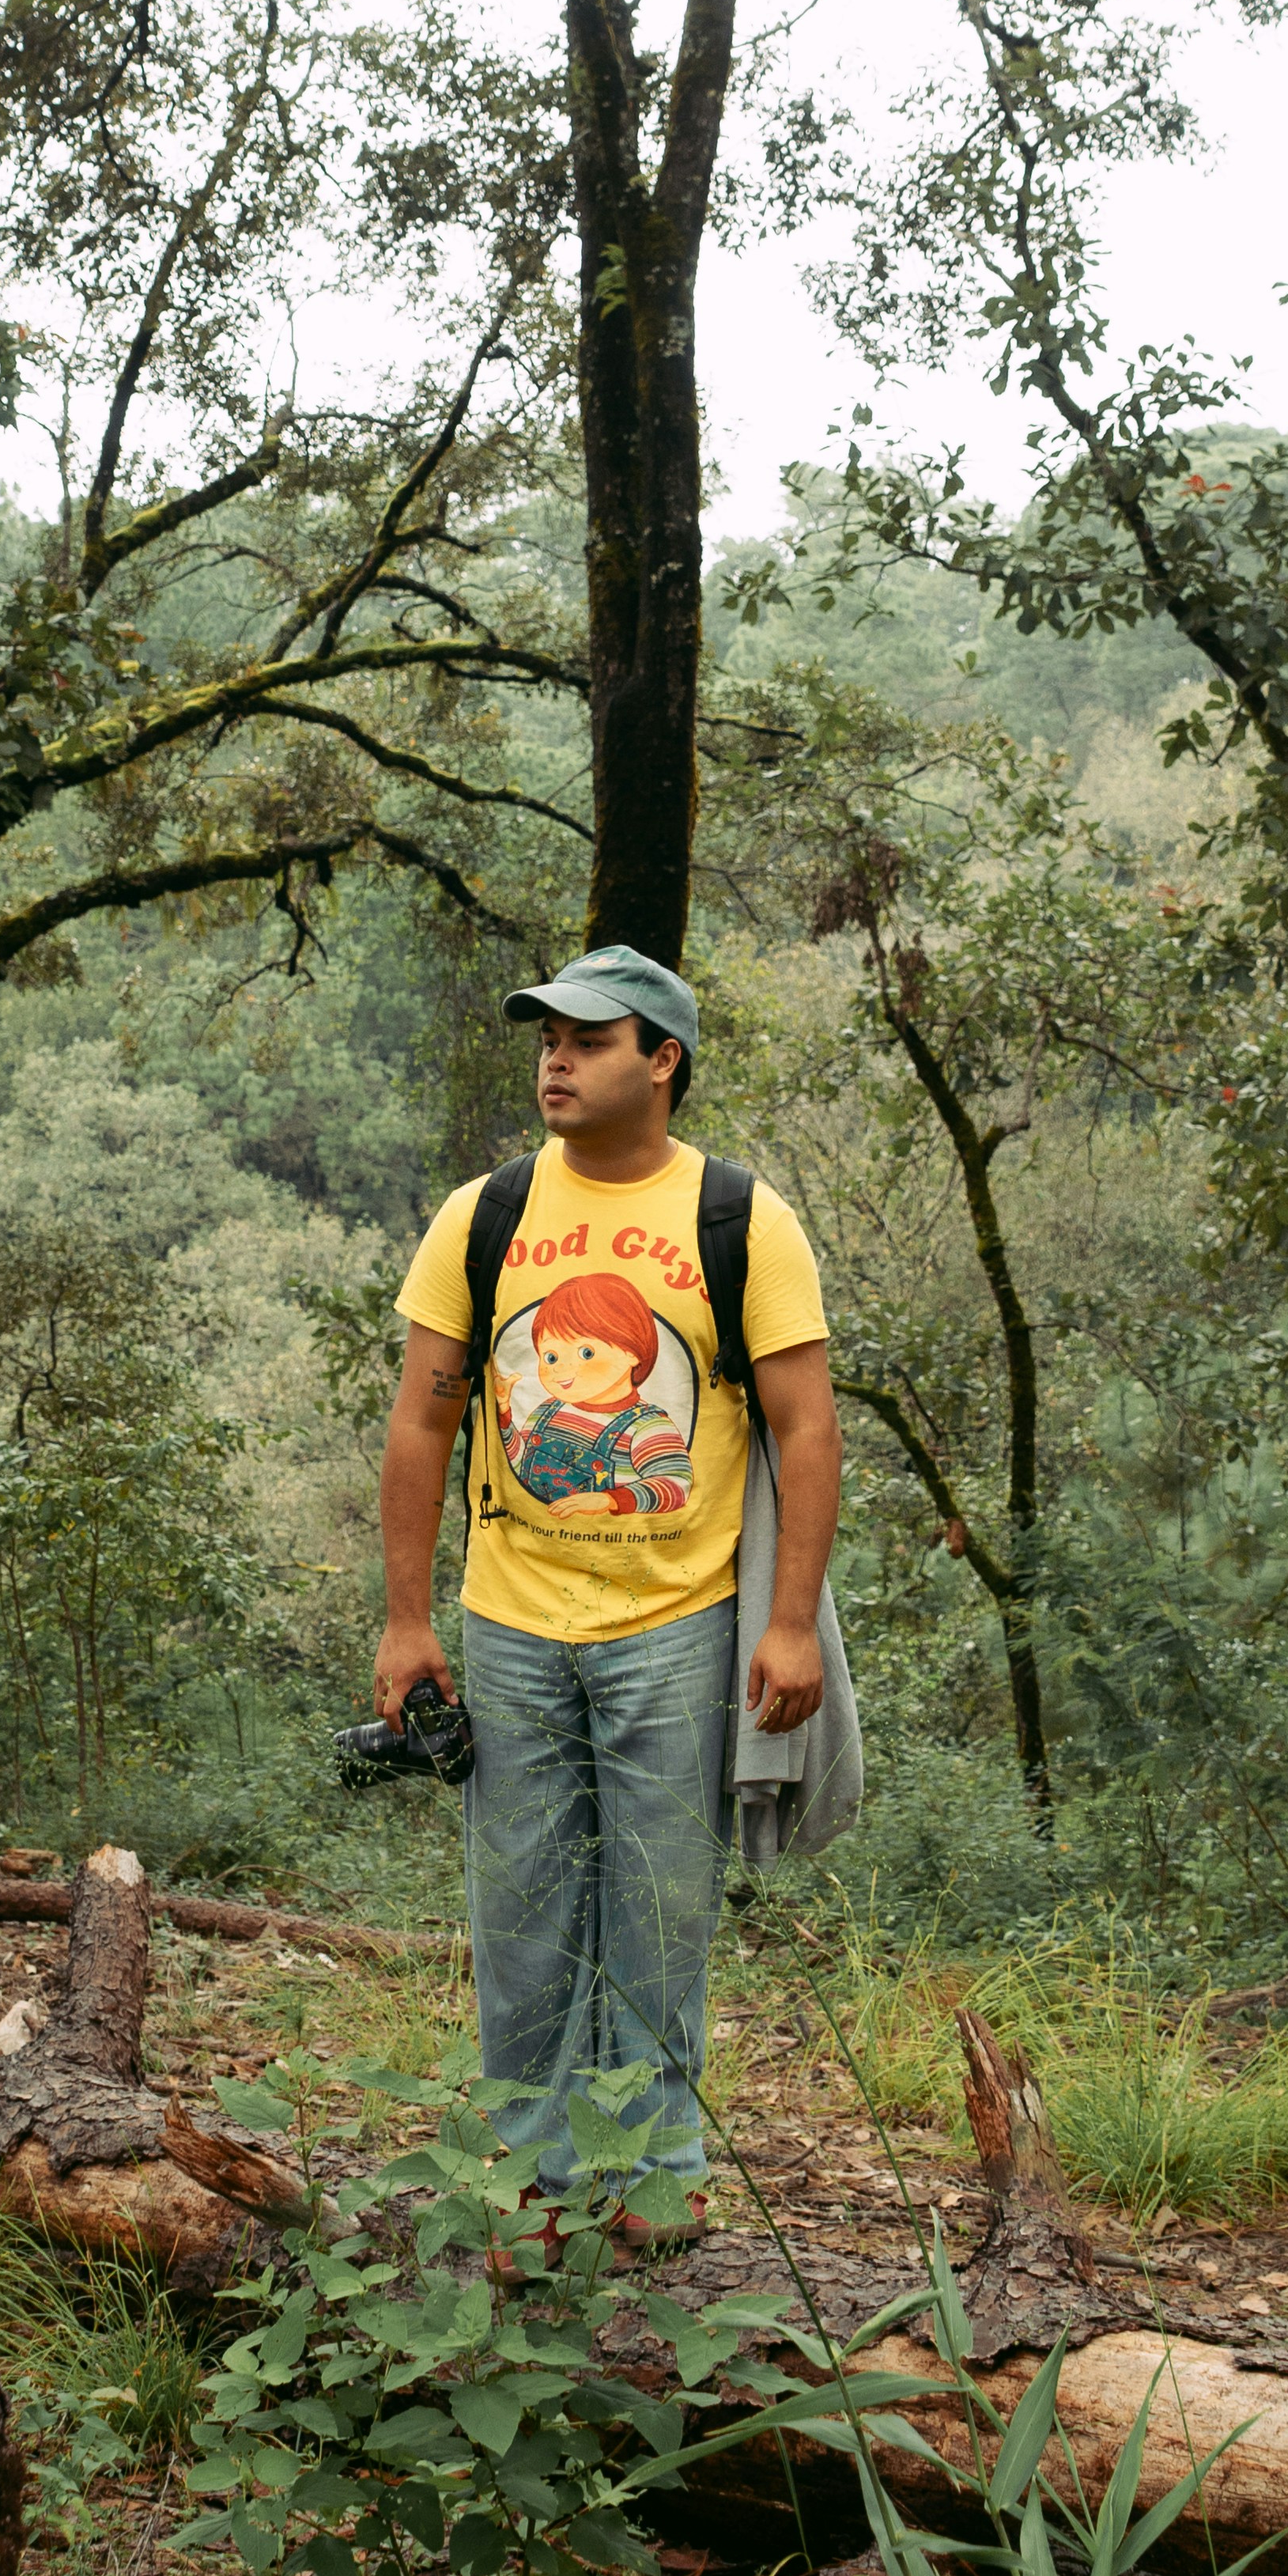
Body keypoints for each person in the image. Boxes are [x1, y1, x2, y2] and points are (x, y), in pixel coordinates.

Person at [375, 944, 843, 2240]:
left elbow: (806, 1429)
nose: (556, 1061)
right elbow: (422, 1424)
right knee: (520, 1905)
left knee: (657, 1908)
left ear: (664, 1059)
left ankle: (648, 2180)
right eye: (547, 1040)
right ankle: (518, 2181)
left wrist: (791, 1623)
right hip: (512, 1623)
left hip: (677, 1628)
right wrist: (409, 1620)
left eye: (588, 1039)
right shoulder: (485, 1215)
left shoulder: (742, 1218)